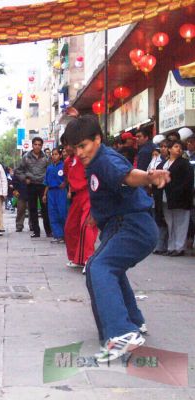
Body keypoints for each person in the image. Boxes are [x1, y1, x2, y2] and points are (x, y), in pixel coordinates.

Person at [64, 115, 170, 362]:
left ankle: (122, 333)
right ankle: (132, 320)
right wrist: (95, 212)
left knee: (100, 267)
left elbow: (127, 176)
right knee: (109, 268)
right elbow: (105, 188)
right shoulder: (95, 161)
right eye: (75, 148)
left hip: (131, 225)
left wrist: (149, 177)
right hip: (123, 224)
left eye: (83, 146)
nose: (79, 153)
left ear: (97, 139)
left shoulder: (105, 159)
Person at [62, 137, 98, 272]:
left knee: (87, 225)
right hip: (77, 196)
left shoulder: (85, 156)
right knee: (70, 227)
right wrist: (70, 190)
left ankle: (89, 259)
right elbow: (68, 177)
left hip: (89, 193)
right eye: (64, 146)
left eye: (68, 145)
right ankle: (76, 258)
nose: (66, 148)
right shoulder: (67, 161)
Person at [160, 140, 193, 256]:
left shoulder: (184, 163)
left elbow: (188, 181)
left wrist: (181, 191)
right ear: (170, 149)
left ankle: (179, 247)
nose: (178, 149)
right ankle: (171, 246)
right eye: (176, 146)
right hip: (166, 197)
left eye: (180, 147)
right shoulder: (164, 163)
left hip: (181, 197)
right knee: (170, 222)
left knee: (181, 222)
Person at [15, 137, 51, 238]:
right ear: (32, 145)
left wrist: (48, 182)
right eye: (35, 144)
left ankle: (48, 231)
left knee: (45, 209)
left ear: (42, 146)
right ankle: (36, 231)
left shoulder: (46, 158)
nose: (37, 146)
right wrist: (24, 179)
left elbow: (50, 170)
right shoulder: (26, 157)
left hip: (43, 185)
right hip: (31, 185)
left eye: (39, 145)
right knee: (32, 208)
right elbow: (18, 171)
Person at [43, 147, 67, 244]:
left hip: (61, 191)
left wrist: (65, 183)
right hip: (51, 192)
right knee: (52, 214)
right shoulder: (49, 168)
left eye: (56, 154)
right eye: (53, 154)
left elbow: (69, 177)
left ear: (60, 155)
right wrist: (45, 194)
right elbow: (47, 182)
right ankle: (58, 235)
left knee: (63, 213)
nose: (54, 156)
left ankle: (65, 234)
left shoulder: (64, 166)